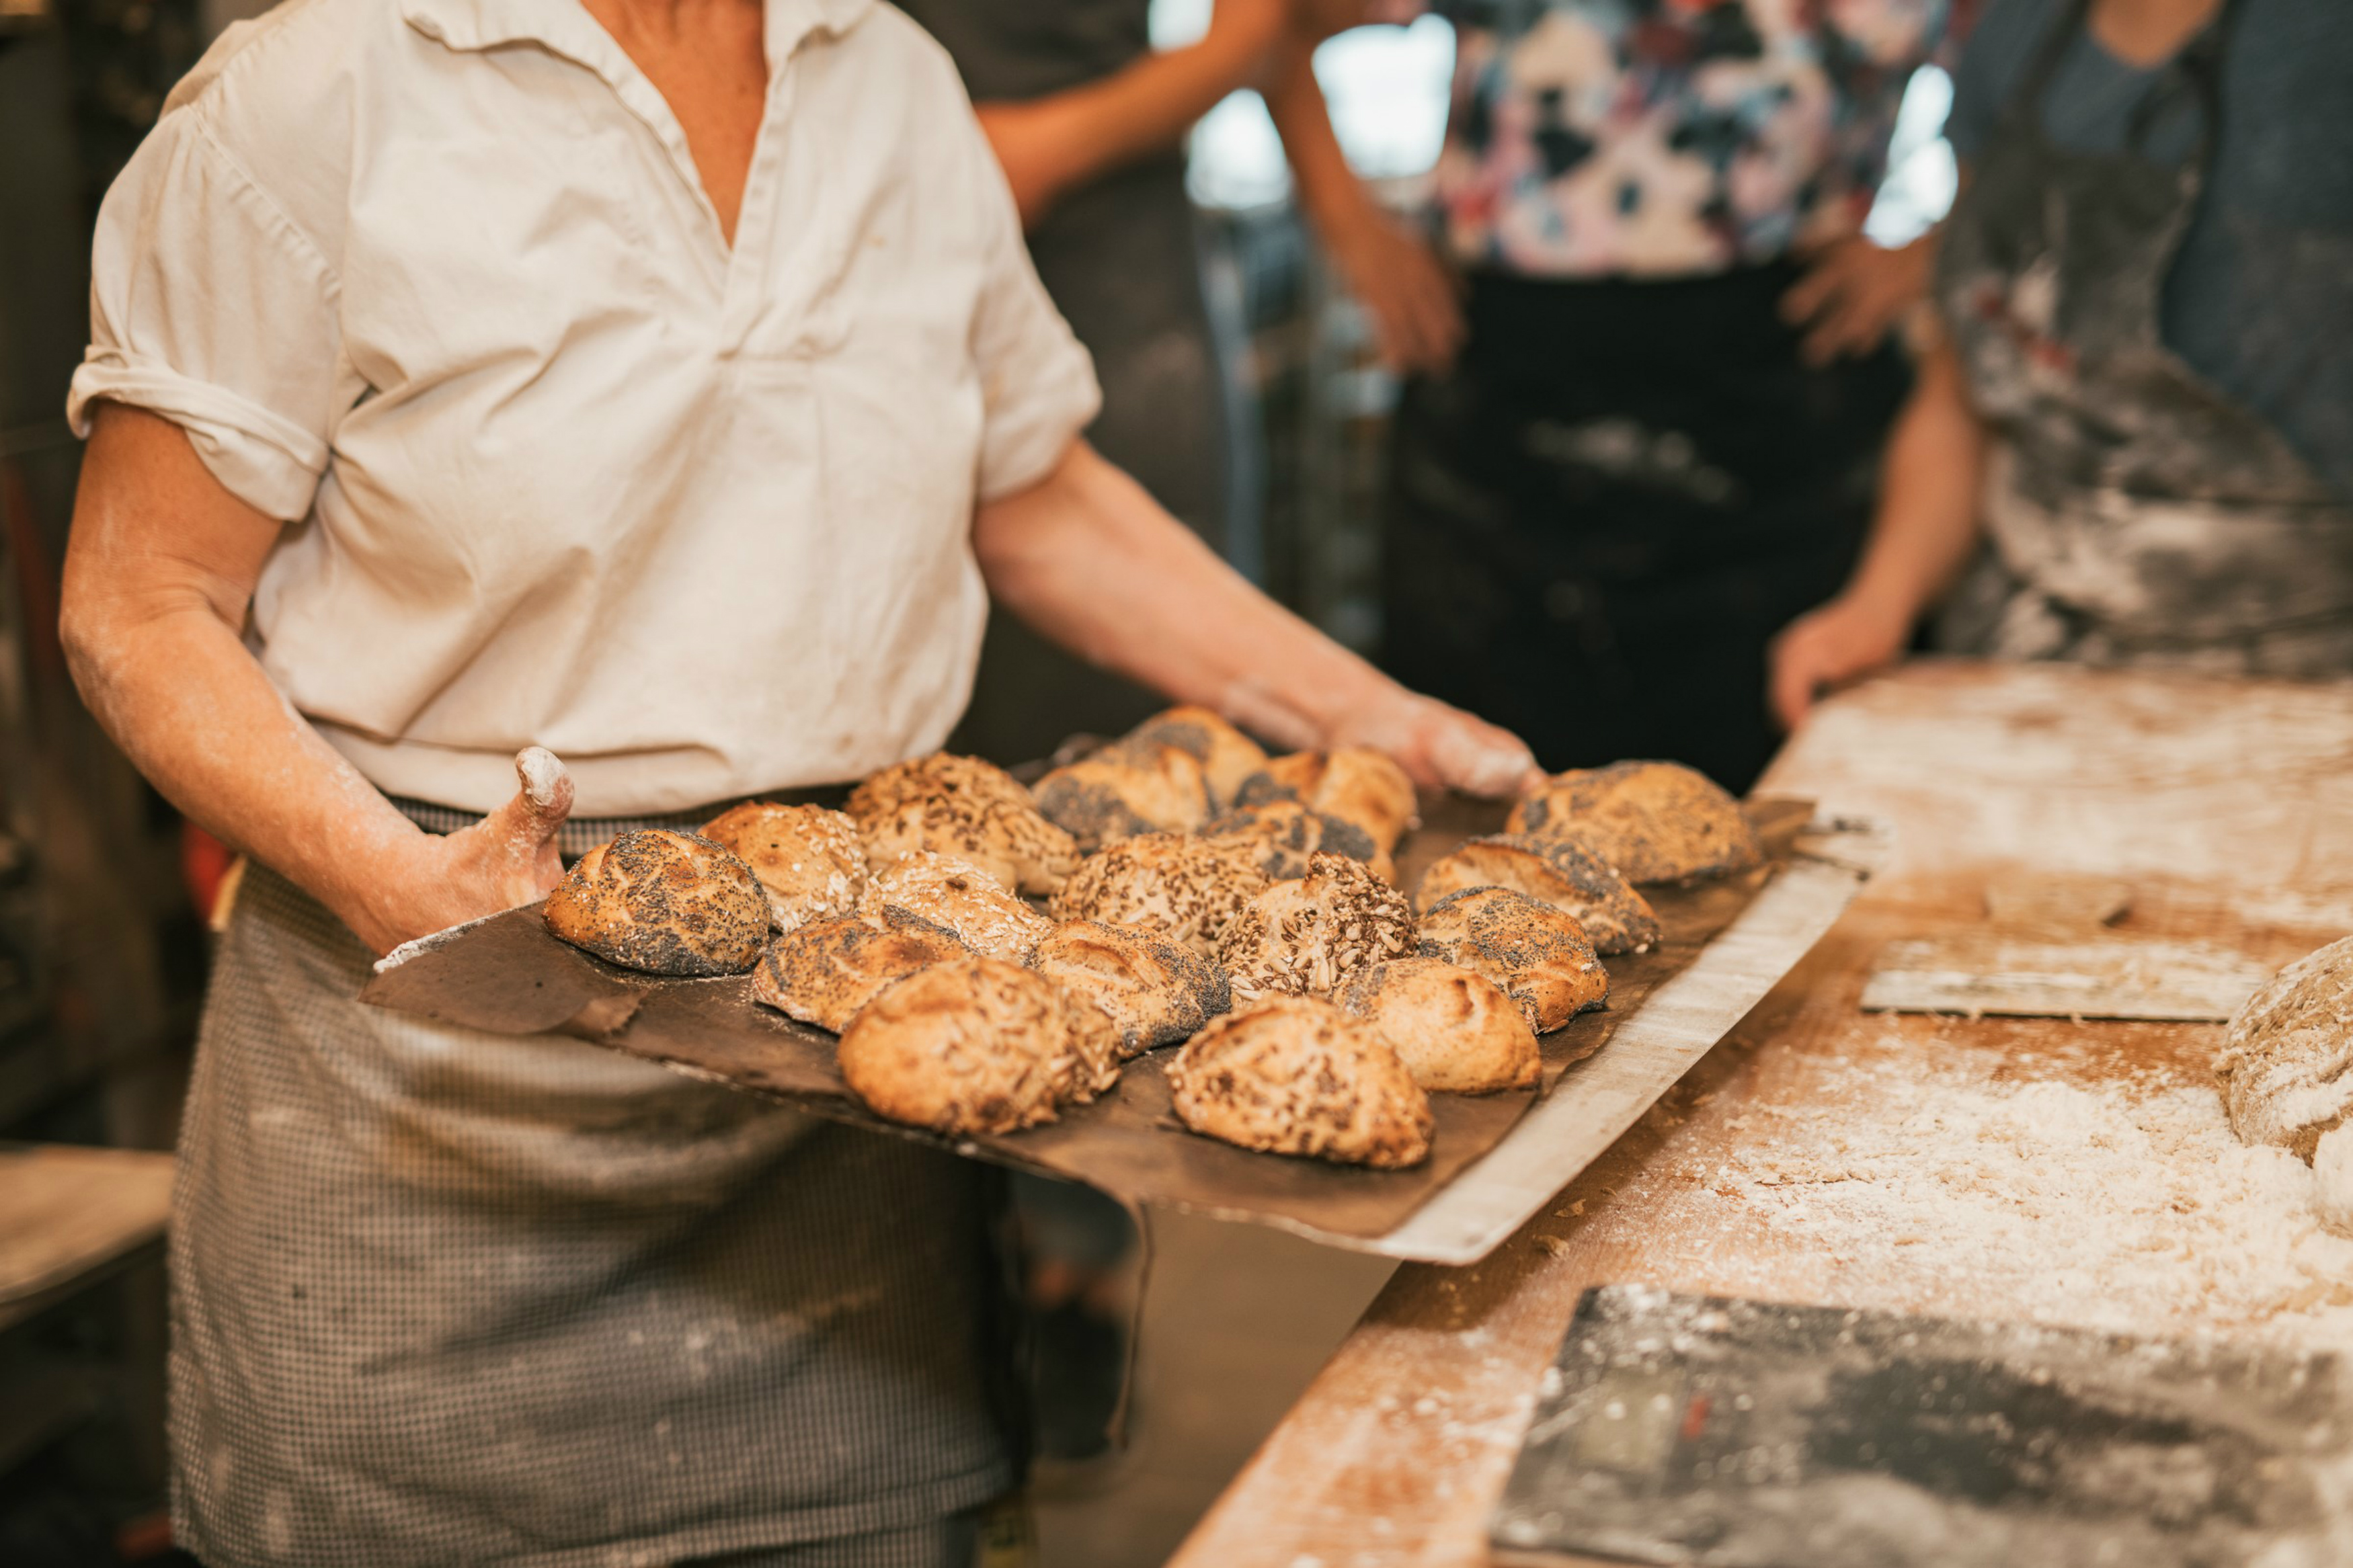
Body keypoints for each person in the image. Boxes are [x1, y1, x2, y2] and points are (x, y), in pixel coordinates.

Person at [53, 1, 1538, 1563]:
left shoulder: (886, 76)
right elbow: (136, 603)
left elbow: (1034, 497)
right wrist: (390, 884)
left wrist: (1376, 716)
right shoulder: (322, 88)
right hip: (431, 1091)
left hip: (845, 1070)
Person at [1380, 0, 1955, 792]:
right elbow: (1276, 22)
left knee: (1787, 819)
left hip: (1787, 391)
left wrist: (1942, 244)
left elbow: (2056, 76)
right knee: (1478, 815)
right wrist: (1353, 229)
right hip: (1503, 396)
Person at [912, 0, 1466, 766]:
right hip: (904, 246)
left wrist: (1040, 154)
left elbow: (1257, 31)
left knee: (1117, 739)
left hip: (1107, 275)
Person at [1769, 0, 2353, 720]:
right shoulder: (2018, 34)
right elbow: (1960, 398)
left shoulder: (2320, 49)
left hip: (2297, 673)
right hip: (2019, 658)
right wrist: (1875, 603)